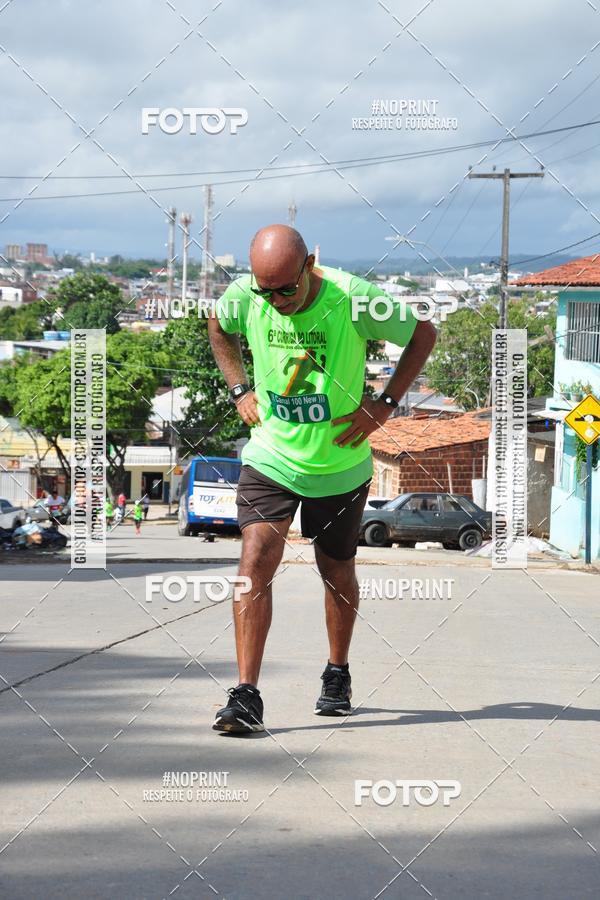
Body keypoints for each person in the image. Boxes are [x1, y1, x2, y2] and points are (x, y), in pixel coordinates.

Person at [208, 224, 436, 733]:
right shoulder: (248, 294)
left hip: (339, 463)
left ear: (308, 266)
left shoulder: (353, 298)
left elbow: (424, 332)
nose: (277, 301)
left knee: (335, 571)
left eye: (287, 289)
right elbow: (218, 327)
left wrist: (385, 404)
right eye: (266, 291)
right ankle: (245, 695)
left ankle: (337, 672)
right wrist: (239, 388)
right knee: (255, 561)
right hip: (271, 456)